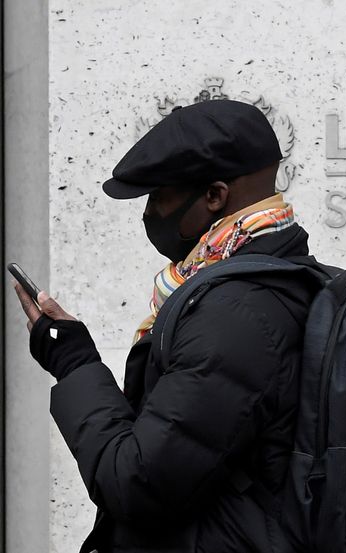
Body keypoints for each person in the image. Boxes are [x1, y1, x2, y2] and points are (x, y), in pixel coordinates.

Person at [13, 99, 319, 553]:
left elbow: (137, 483)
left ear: (215, 196)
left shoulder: (239, 314)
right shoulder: (268, 281)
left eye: (159, 196)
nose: (150, 213)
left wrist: (75, 364)